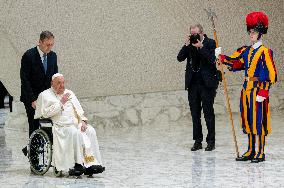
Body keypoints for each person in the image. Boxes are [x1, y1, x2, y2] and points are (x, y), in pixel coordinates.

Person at [215, 12, 277, 163]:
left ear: (260, 33)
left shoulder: (265, 52)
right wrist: (222, 58)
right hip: (246, 89)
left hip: (258, 90)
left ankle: (260, 152)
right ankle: (250, 150)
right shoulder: (246, 50)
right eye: (250, 31)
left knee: (259, 120)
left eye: (254, 32)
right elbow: (236, 63)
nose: (251, 34)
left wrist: (263, 90)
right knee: (248, 120)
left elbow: (271, 74)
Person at [35, 73, 105, 176]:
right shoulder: (44, 95)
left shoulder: (69, 93)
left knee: (90, 130)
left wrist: (83, 121)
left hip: (75, 124)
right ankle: (77, 164)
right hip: (60, 126)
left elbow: (79, 111)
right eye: (59, 83)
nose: (62, 85)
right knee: (75, 133)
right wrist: (60, 103)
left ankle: (91, 163)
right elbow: (45, 114)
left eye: (63, 83)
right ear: (52, 83)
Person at [177, 24, 220, 151]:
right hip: (193, 84)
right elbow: (179, 58)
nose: (194, 36)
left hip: (207, 84)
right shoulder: (189, 44)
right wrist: (186, 44)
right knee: (195, 114)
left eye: (196, 33)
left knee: (208, 113)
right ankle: (197, 141)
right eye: (192, 34)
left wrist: (201, 47)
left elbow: (214, 59)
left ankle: (211, 141)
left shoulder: (211, 43)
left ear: (202, 33)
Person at [20, 31, 58, 156]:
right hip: (31, 97)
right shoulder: (29, 55)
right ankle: (34, 157)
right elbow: (24, 79)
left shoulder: (53, 56)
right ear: (40, 42)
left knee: (50, 124)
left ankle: (29, 148)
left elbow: (54, 78)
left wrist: (56, 95)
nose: (49, 47)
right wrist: (32, 99)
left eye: (51, 44)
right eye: (47, 45)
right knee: (34, 125)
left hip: (47, 97)